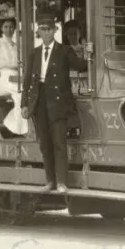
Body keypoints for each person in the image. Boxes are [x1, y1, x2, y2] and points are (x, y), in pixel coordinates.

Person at [20, 12, 78, 193]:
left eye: (49, 29)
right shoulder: (34, 53)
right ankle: (50, 181)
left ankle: (62, 183)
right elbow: (27, 80)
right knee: (44, 143)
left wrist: (91, 51)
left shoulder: (64, 51)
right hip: (39, 100)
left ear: (55, 30)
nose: (45, 33)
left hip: (58, 101)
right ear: (38, 31)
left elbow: (80, 65)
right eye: (42, 29)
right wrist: (24, 104)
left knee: (59, 142)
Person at [0, 3, 27, 136]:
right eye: (6, 27)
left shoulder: (16, 46)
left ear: (14, 28)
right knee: (20, 92)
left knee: (25, 91)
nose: (9, 29)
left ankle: (14, 124)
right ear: (1, 28)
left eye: (11, 27)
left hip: (15, 77)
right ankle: (20, 128)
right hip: (1, 78)